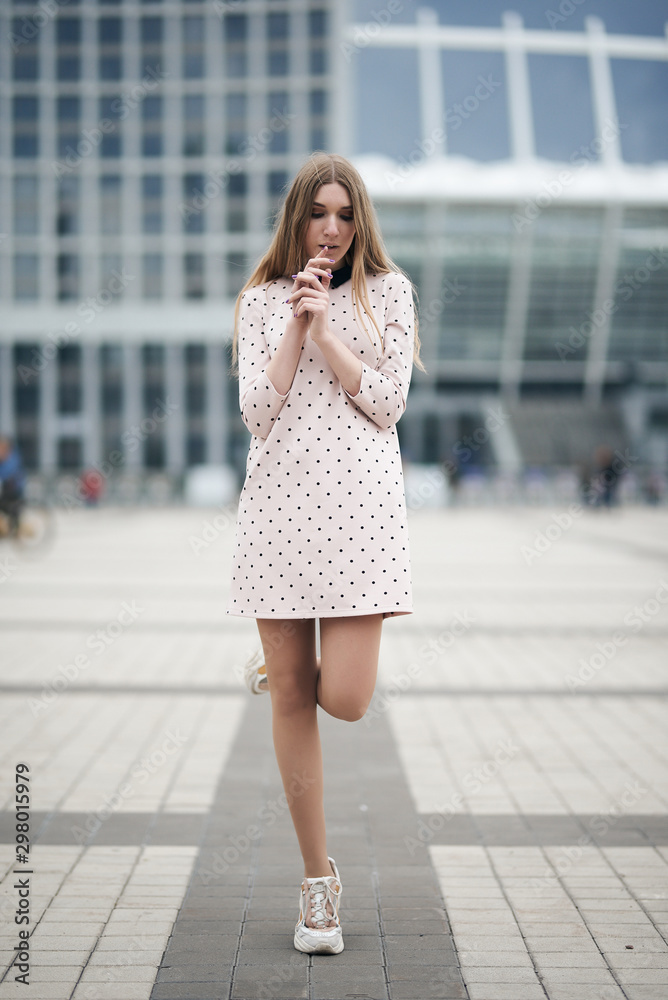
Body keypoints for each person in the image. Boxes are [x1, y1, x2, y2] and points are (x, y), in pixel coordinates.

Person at [226, 152, 423, 955]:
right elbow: (256, 413)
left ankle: (285, 670)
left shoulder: (389, 293)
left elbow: (388, 403)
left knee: (343, 697)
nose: (332, 229)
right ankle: (317, 885)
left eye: (345, 214)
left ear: (360, 220)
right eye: (318, 214)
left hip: (361, 520)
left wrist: (329, 333)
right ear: (297, 220)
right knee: (291, 701)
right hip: (278, 516)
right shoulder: (259, 300)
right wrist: (293, 325)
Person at [0, 436, 26, 537]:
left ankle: (14, 529)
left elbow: (7, 474)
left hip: (14, 490)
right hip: (6, 490)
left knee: (10, 509)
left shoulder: (12, 458)